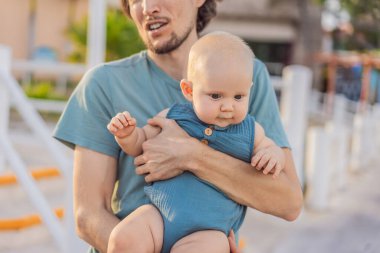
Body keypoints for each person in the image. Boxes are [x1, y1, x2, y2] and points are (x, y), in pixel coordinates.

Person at [53, 0, 303, 252]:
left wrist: (191, 156)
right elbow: (88, 216)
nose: (147, 7)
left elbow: (288, 202)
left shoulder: (246, 74)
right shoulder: (103, 84)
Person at [106, 32, 286, 253]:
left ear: (249, 90)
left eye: (238, 97)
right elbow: (141, 144)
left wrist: (272, 155)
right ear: (189, 91)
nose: (228, 106)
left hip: (208, 232)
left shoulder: (251, 131)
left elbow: (271, 148)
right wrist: (127, 136)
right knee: (122, 239)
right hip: (160, 215)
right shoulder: (174, 116)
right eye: (216, 96)